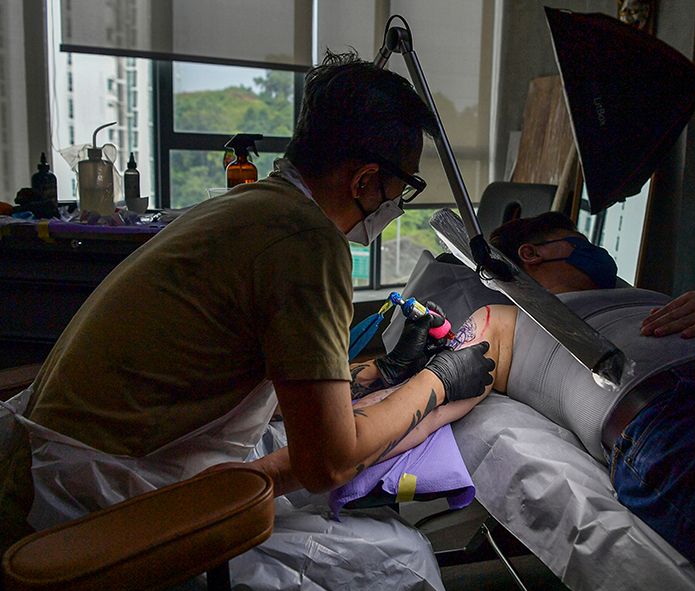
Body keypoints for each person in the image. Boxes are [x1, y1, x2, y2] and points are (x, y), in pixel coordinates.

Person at [0, 50, 496, 561]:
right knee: (404, 559)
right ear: (365, 181)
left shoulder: (251, 206)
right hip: (97, 501)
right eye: (405, 186)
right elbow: (326, 463)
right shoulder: (307, 242)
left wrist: (377, 374)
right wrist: (437, 384)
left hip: (58, 462)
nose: (400, 202)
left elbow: (255, 376)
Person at [404, 211, 695, 591]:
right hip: (689, 419)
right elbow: (431, 391)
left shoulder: (645, 295)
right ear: (531, 254)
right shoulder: (502, 318)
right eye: (577, 241)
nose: (598, 254)